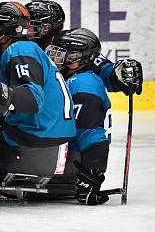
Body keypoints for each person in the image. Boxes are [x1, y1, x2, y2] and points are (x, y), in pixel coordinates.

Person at [0, 2, 76, 181]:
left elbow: (32, 100)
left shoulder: (19, 49)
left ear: (3, 30)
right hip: (50, 137)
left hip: (35, 138)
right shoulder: (27, 49)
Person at [46, 28, 111, 205]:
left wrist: (91, 175)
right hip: (68, 157)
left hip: (73, 163)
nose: (55, 59)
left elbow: (92, 135)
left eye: (61, 55)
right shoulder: (74, 78)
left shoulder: (83, 85)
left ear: (77, 58)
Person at [25, 0, 143, 95]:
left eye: (30, 25)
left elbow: (100, 66)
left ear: (45, 28)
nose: (25, 29)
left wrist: (117, 76)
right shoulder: (19, 44)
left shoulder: (65, 46)